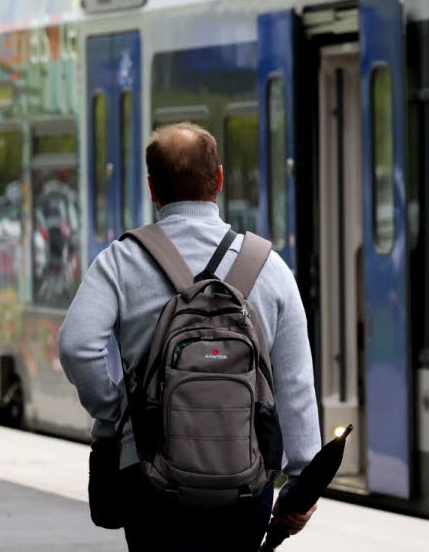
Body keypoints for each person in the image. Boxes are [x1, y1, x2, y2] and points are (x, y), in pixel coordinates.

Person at [59, 123, 321, 551]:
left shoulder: (122, 261)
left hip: (149, 478)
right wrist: (301, 480)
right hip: (246, 481)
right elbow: (294, 383)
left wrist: (111, 415)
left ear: (152, 188)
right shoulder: (268, 266)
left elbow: (77, 345)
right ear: (218, 179)